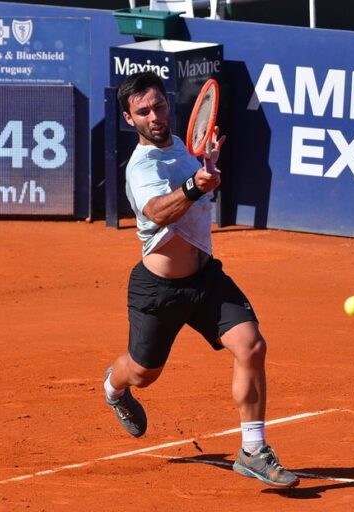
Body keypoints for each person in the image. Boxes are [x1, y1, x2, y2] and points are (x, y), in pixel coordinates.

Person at [102, 71, 299, 489]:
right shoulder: (142, 167)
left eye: (158, 106)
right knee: (141, 373)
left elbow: (198, 193)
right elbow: (158, 211)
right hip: (159, 291)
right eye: (142, 111)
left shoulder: (181, 149)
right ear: (128, 119)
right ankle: (114, 389)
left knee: (252, 345)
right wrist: (195, 184)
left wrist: (206, 170)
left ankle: (253, 450)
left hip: (206, 279)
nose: (153, 116)